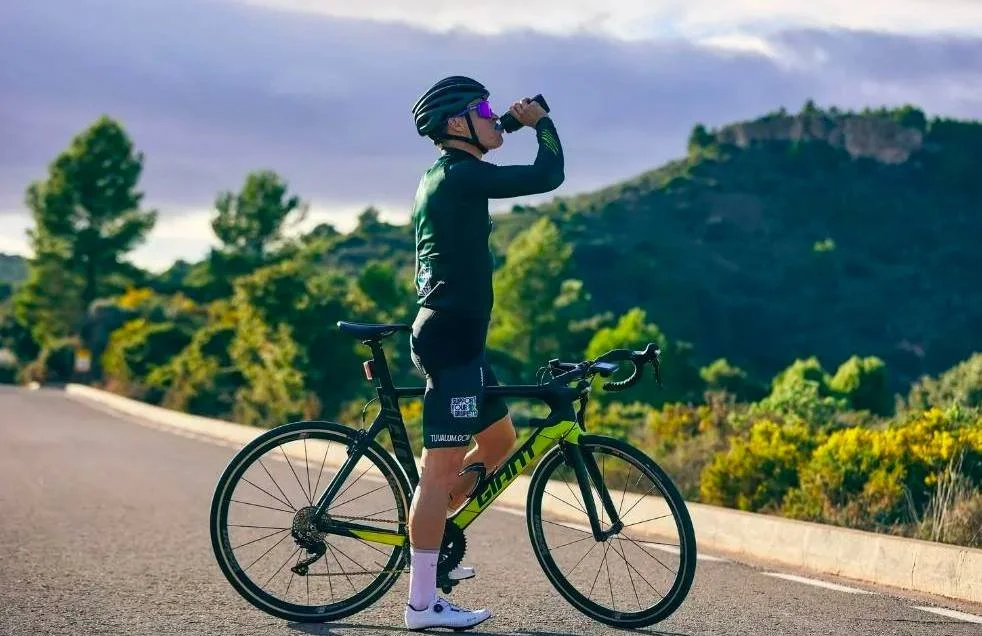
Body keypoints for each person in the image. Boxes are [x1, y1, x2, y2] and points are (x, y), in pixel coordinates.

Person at [403, 75, 565, 631]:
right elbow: (550, 174)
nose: (495, 115)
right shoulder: (461, 177)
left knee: (498, 442)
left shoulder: (447, 174)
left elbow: (490, 142)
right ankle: (422, 604)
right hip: (450, 339)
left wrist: (508, 124)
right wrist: (541, 125)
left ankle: (437, 540)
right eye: (484, 108)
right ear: (455, 124)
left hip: (458, 338)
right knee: (439, 469)